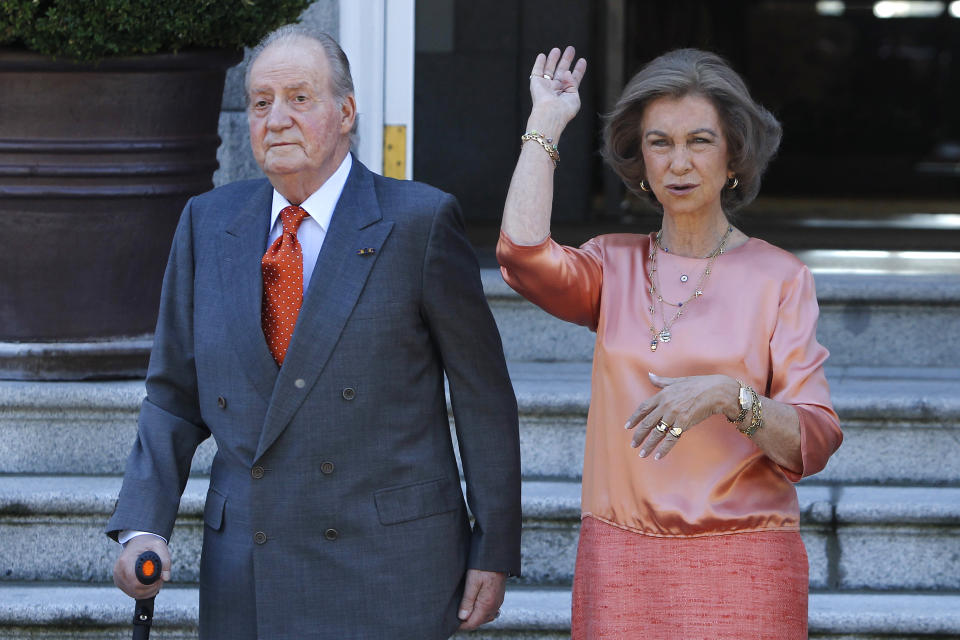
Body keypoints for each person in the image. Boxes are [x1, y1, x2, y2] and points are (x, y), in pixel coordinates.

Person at [107, 26, 521, 640]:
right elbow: (173, 394)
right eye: (260, 102)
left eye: (300, 98)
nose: (276, 119)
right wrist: (144, 525)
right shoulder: (207, 222)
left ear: (346, 112)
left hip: (387, 565)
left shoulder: (419, 223)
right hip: (249, 564)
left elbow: (482, 396)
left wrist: (491, 544)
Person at [497, 46, 842, 639]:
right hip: (622, 559)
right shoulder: (611, 265)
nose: (679, 162)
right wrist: (545, 123)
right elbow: (522, 257)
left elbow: (813, 439)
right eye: (660, 143)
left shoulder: (779, 277)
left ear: (734, 153)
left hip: (747, 560)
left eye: (699, 141)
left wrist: (729, 397)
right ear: (642, 163)